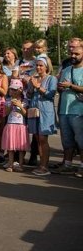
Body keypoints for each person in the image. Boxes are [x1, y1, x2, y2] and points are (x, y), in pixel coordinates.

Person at [25, 58, 57, 176]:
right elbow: (28, 94)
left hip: (45, 111)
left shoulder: (51, 79)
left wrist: (38, 87)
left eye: (41, 66)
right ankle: (41, 164)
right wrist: (31, 87)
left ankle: (45, 166)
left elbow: (51, 94)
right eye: (37, 66)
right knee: (37, 139)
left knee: (43, 139)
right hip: (34, 110)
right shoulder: (34, 78)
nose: (38, 68)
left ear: (47, 67)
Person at [55, 44, 83, 175]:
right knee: (67, 140)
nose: (73, 56)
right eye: (72, 54)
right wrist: (60, 87)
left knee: (81, 140)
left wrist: (70, 85)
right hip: (64, 109)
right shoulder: (66, 70)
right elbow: (60, 87)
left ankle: (81, 167)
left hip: (78, 110)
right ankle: (67, 164)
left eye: (77, 54)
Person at [1, 80, 29, 172]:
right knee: (11, 147)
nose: (13, 91)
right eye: (11, 89)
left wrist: (20, 106)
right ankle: (10, 163)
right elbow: (6, 113)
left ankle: (20, 164)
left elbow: (26, 114)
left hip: (21, 125)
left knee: (20, 147)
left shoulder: (25, 101)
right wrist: (11, 105)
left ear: (20, 90)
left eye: (15, 89)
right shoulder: (8, 101)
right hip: (11, 124)